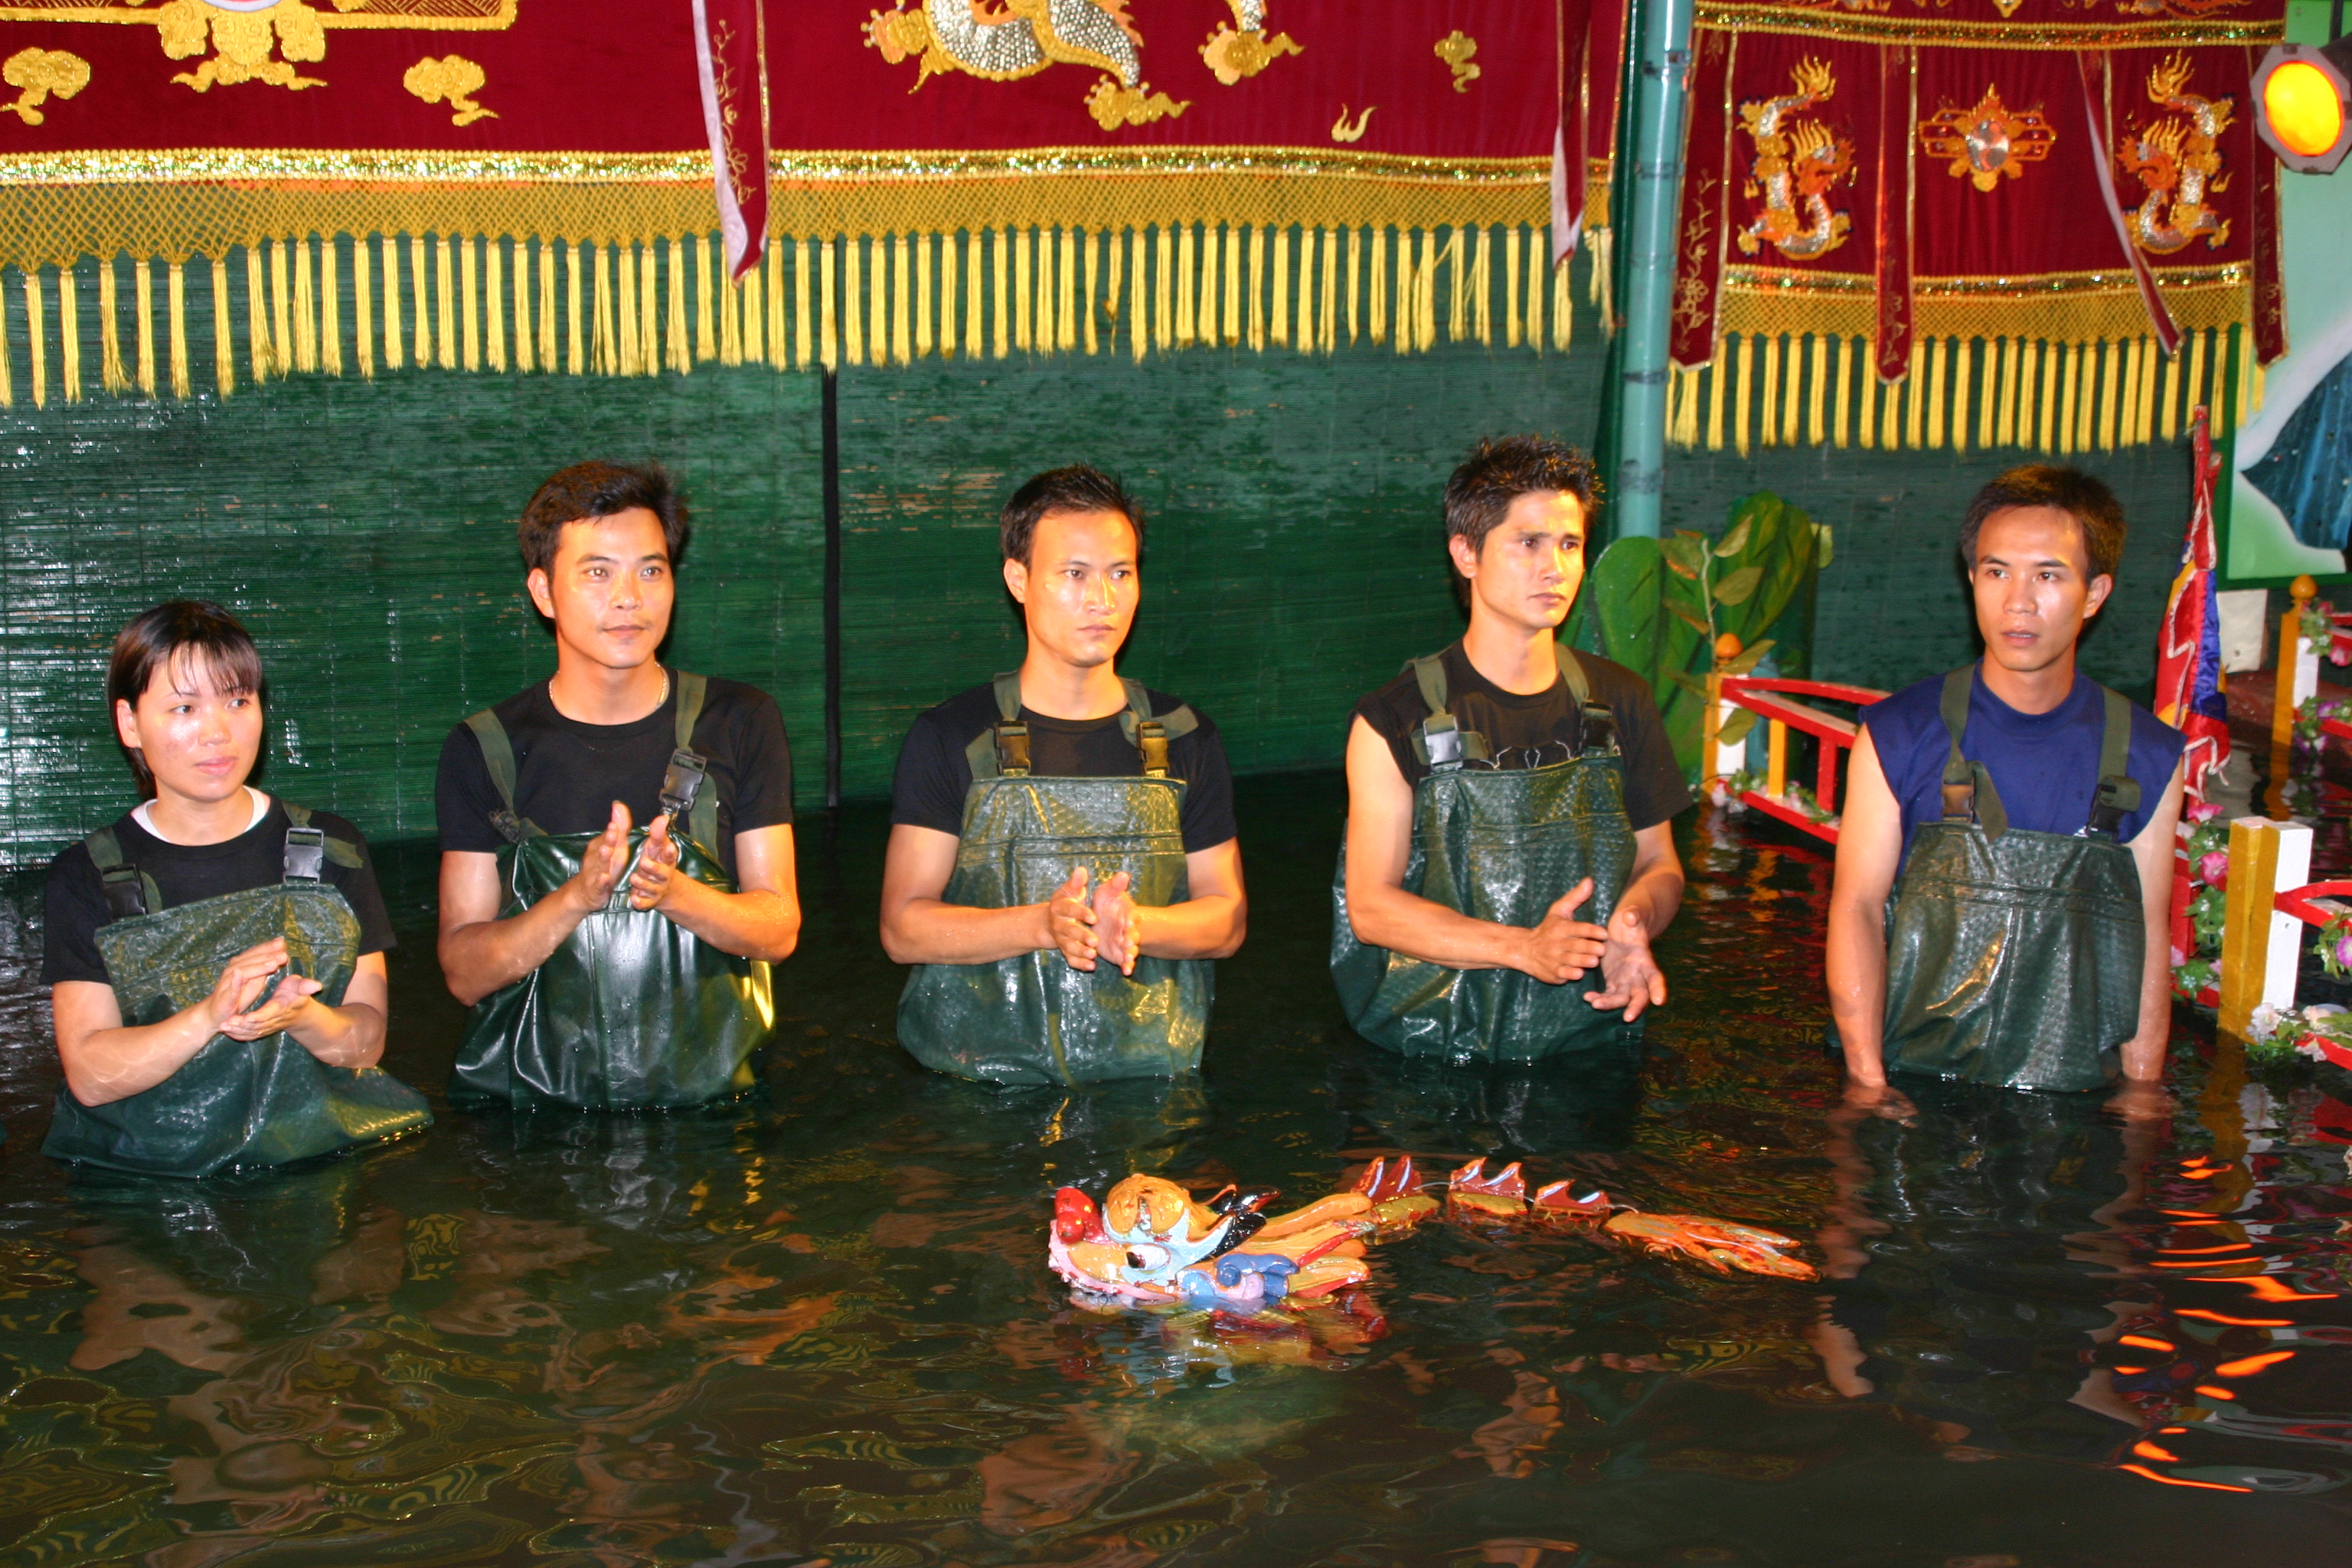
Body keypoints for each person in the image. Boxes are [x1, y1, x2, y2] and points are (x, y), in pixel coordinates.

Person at [435, 461, 799, 1109]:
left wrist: (674, 892)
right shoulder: (485, 749)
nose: (629, 597)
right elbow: (464, 974)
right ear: (544, 592)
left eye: (651, 571)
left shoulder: (741, 721)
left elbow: (777, 928)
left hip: (711, 1103)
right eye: (598, 573)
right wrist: (575, 898)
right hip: (539, 1113)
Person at [1827, 466, 2186, 1111]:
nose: (2018, 602)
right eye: (1997, 572)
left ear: (2095, 593)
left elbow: (2146, 934)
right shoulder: (1897, 733)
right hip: (1913, 1084)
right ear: (1972, 580)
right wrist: (1867, 1084)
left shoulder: (2150, 753)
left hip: (2069, 1095)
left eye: (2048, 576)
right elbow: (1856, 907)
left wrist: (2141, 1091)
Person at [880, 465, 1246, 1084]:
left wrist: (1137, 924)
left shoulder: (1185, 736)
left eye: (1120, 573)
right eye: (1074, 574)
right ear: (1018, 579)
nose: (1102, 599)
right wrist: (1041, 926)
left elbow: (1227, 920)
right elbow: (903, 927)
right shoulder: (951, 736)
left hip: (1150, 1075)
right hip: (978, 1080)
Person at [41, 601, 430, 1176]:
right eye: (184, 707)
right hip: (154, 1176)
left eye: (238, 701)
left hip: (315, 1156)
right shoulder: (87, 875)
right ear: (130, 723)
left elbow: (366, 1043)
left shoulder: (333, 848)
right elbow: (92, 1077)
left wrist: (301, 1017)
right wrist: (209, 1015)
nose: (218, 733)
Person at [1335, 435, 1690, 1063]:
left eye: (1570, 544)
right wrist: (1522, 948)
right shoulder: (1393, 719)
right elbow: (1371, 908)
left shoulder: (1620, 700)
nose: (1556, 568)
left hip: (1588, 1033)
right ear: (1466, 554)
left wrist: (1635, 922)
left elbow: (1659, 862)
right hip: (1433, 1046)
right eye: (1529, 543)